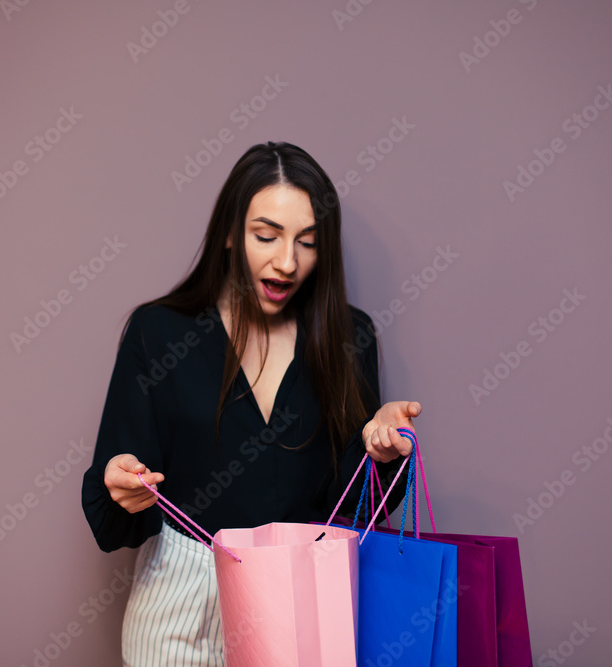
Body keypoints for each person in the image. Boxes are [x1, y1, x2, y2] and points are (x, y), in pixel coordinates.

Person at [81, 140, 423, 666]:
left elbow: (350, 506)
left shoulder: (349, 337)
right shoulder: (158, 333)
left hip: (303, 600)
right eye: (267, 236)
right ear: (228, 233)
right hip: (182, 605)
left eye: (307, 243)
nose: (286, 262)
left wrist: (379, 449)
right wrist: (120, 484)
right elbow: (117, 503)